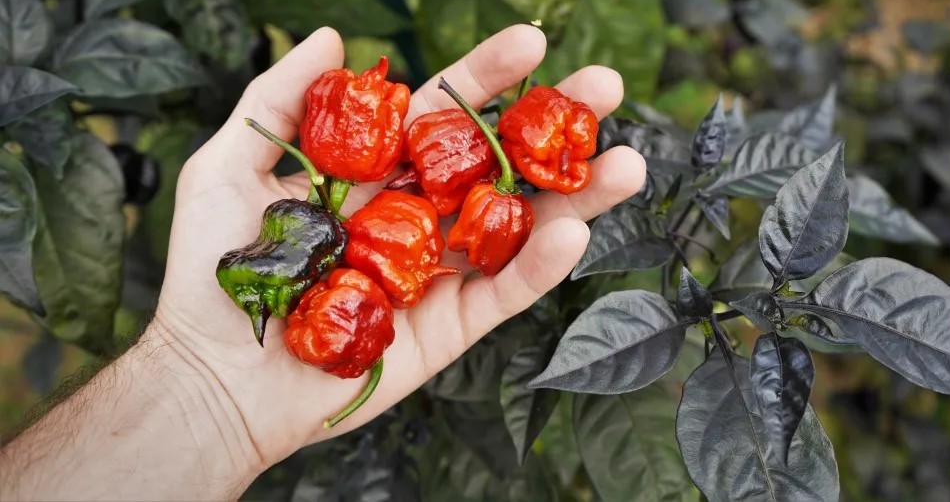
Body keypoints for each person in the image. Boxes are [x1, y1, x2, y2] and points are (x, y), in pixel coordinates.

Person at [0, 25, 646, 501]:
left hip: (397, 247)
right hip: (384, 254)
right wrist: (197, 379)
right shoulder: (377, 226)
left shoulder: (413, 208)